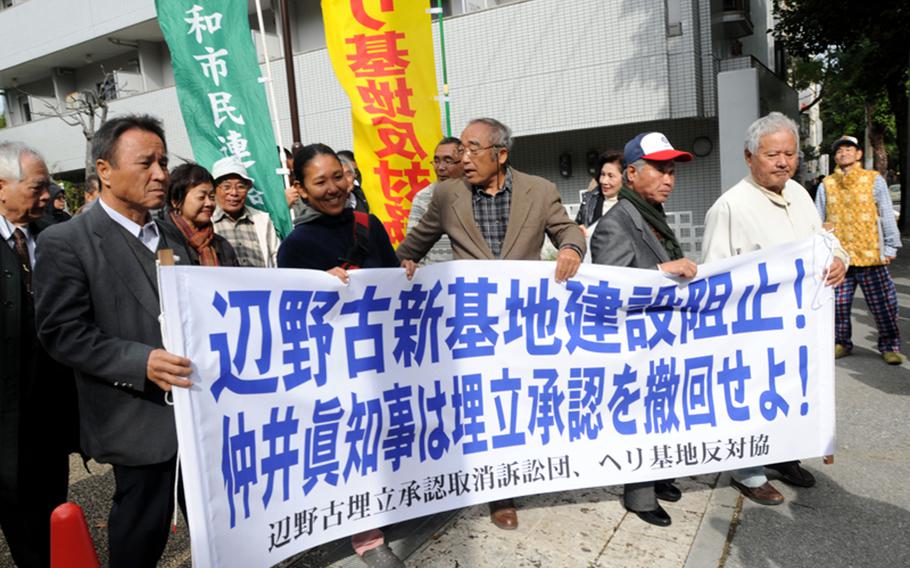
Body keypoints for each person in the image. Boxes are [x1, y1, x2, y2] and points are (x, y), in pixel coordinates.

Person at [396, 117, 586, 530]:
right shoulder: (447, 196)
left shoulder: (539, 190)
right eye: (460, 149)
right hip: (474, 326)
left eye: (472, 149)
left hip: (523, 324)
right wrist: (401, 262)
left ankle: (514, 478)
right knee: (483, 405)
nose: (463, 159)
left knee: (518, 403)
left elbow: (565, 228)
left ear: (500, 154)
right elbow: (415, 244)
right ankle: (495, 489)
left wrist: (571, 246)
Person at [33, 115, 195, 568]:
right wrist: (139, 361)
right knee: (142, 532)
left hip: (193, 413)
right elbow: (62, 332)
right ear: (104, 170)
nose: (161, 173)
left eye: (163, 161)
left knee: (206, 519)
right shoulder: (67, 241)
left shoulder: (170, 237)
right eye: (147, 162)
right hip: (133, 419)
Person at [702, 111, 848, 506]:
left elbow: (824, 242)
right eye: (772, 154)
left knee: (790, 393)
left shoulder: (800, 195)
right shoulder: (730, 206)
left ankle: (784, 455)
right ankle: (747, 472)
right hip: (752, 329)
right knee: (750, 400)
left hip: (799, 327)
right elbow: (715, 278)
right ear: (749, 157)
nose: (783, 162)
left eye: (790, 154)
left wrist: (839, 260)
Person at [277, 144, 403, 568]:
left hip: (381, 354)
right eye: (320, 182)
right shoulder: (295, 245)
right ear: (301, 189)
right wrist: (318, 288)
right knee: (350, 443)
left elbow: (389, 282)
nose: (333, 188)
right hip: (334, 367)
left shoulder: (371, 224)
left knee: (384, 435)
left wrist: (406, 273)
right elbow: (290, 315)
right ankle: (366, 536)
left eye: (339, 177)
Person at [590, 132, 695, 527]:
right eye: (659, 169)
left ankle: (660, 475)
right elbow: (610, 290)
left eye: (672, 171)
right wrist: (662, 271)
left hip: (662, 339)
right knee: (640, 418)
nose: (669, 178)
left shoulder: (652, 215)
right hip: (635, 345)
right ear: (632, 173)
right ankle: (639, 496)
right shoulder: (614, 223)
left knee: (663, 414)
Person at [0, 142, 78, 568]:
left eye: (48, 186)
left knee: (51, 510)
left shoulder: (55, 235)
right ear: (1, 187)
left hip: (49, 412)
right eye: (37, 187)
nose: (47, 195)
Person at [815, 135, 903, 365]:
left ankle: (890, 345)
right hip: (839, 258)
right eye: (839, 151)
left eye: (848, 149)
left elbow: (886, 213)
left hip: (871, 255)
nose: (843, 153)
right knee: (838, 306)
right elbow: (817, 217)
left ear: (858, 154)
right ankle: (842, 342)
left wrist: (891, 246)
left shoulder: (873, 180)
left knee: (883, 305)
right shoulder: (826, 184)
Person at [158, 162, 239, 266]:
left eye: (212, 197)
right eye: (201, 197)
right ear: (175, 201)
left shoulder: (222, 246)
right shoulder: (161, 238)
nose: (209, 203)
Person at [211, 156, 280, 267]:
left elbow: (276, 257)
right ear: (214, 189)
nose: (234, 192)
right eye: (226, 187)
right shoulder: (206, 220)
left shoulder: (262, 219)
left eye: (240, 186)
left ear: (248, 188)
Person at [404, 136, 464, 265]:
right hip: (435, 277)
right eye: (436, 161)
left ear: (464, 162)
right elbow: (413, 244)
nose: (440, 167)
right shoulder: (423, 196)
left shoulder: (475, 193)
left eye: (448, 161)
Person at [575, 149, 623, 229]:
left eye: (611, 176)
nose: (604, 181)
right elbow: (577, 225)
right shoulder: (589, 200)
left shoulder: (633, 203)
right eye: (602, 174)